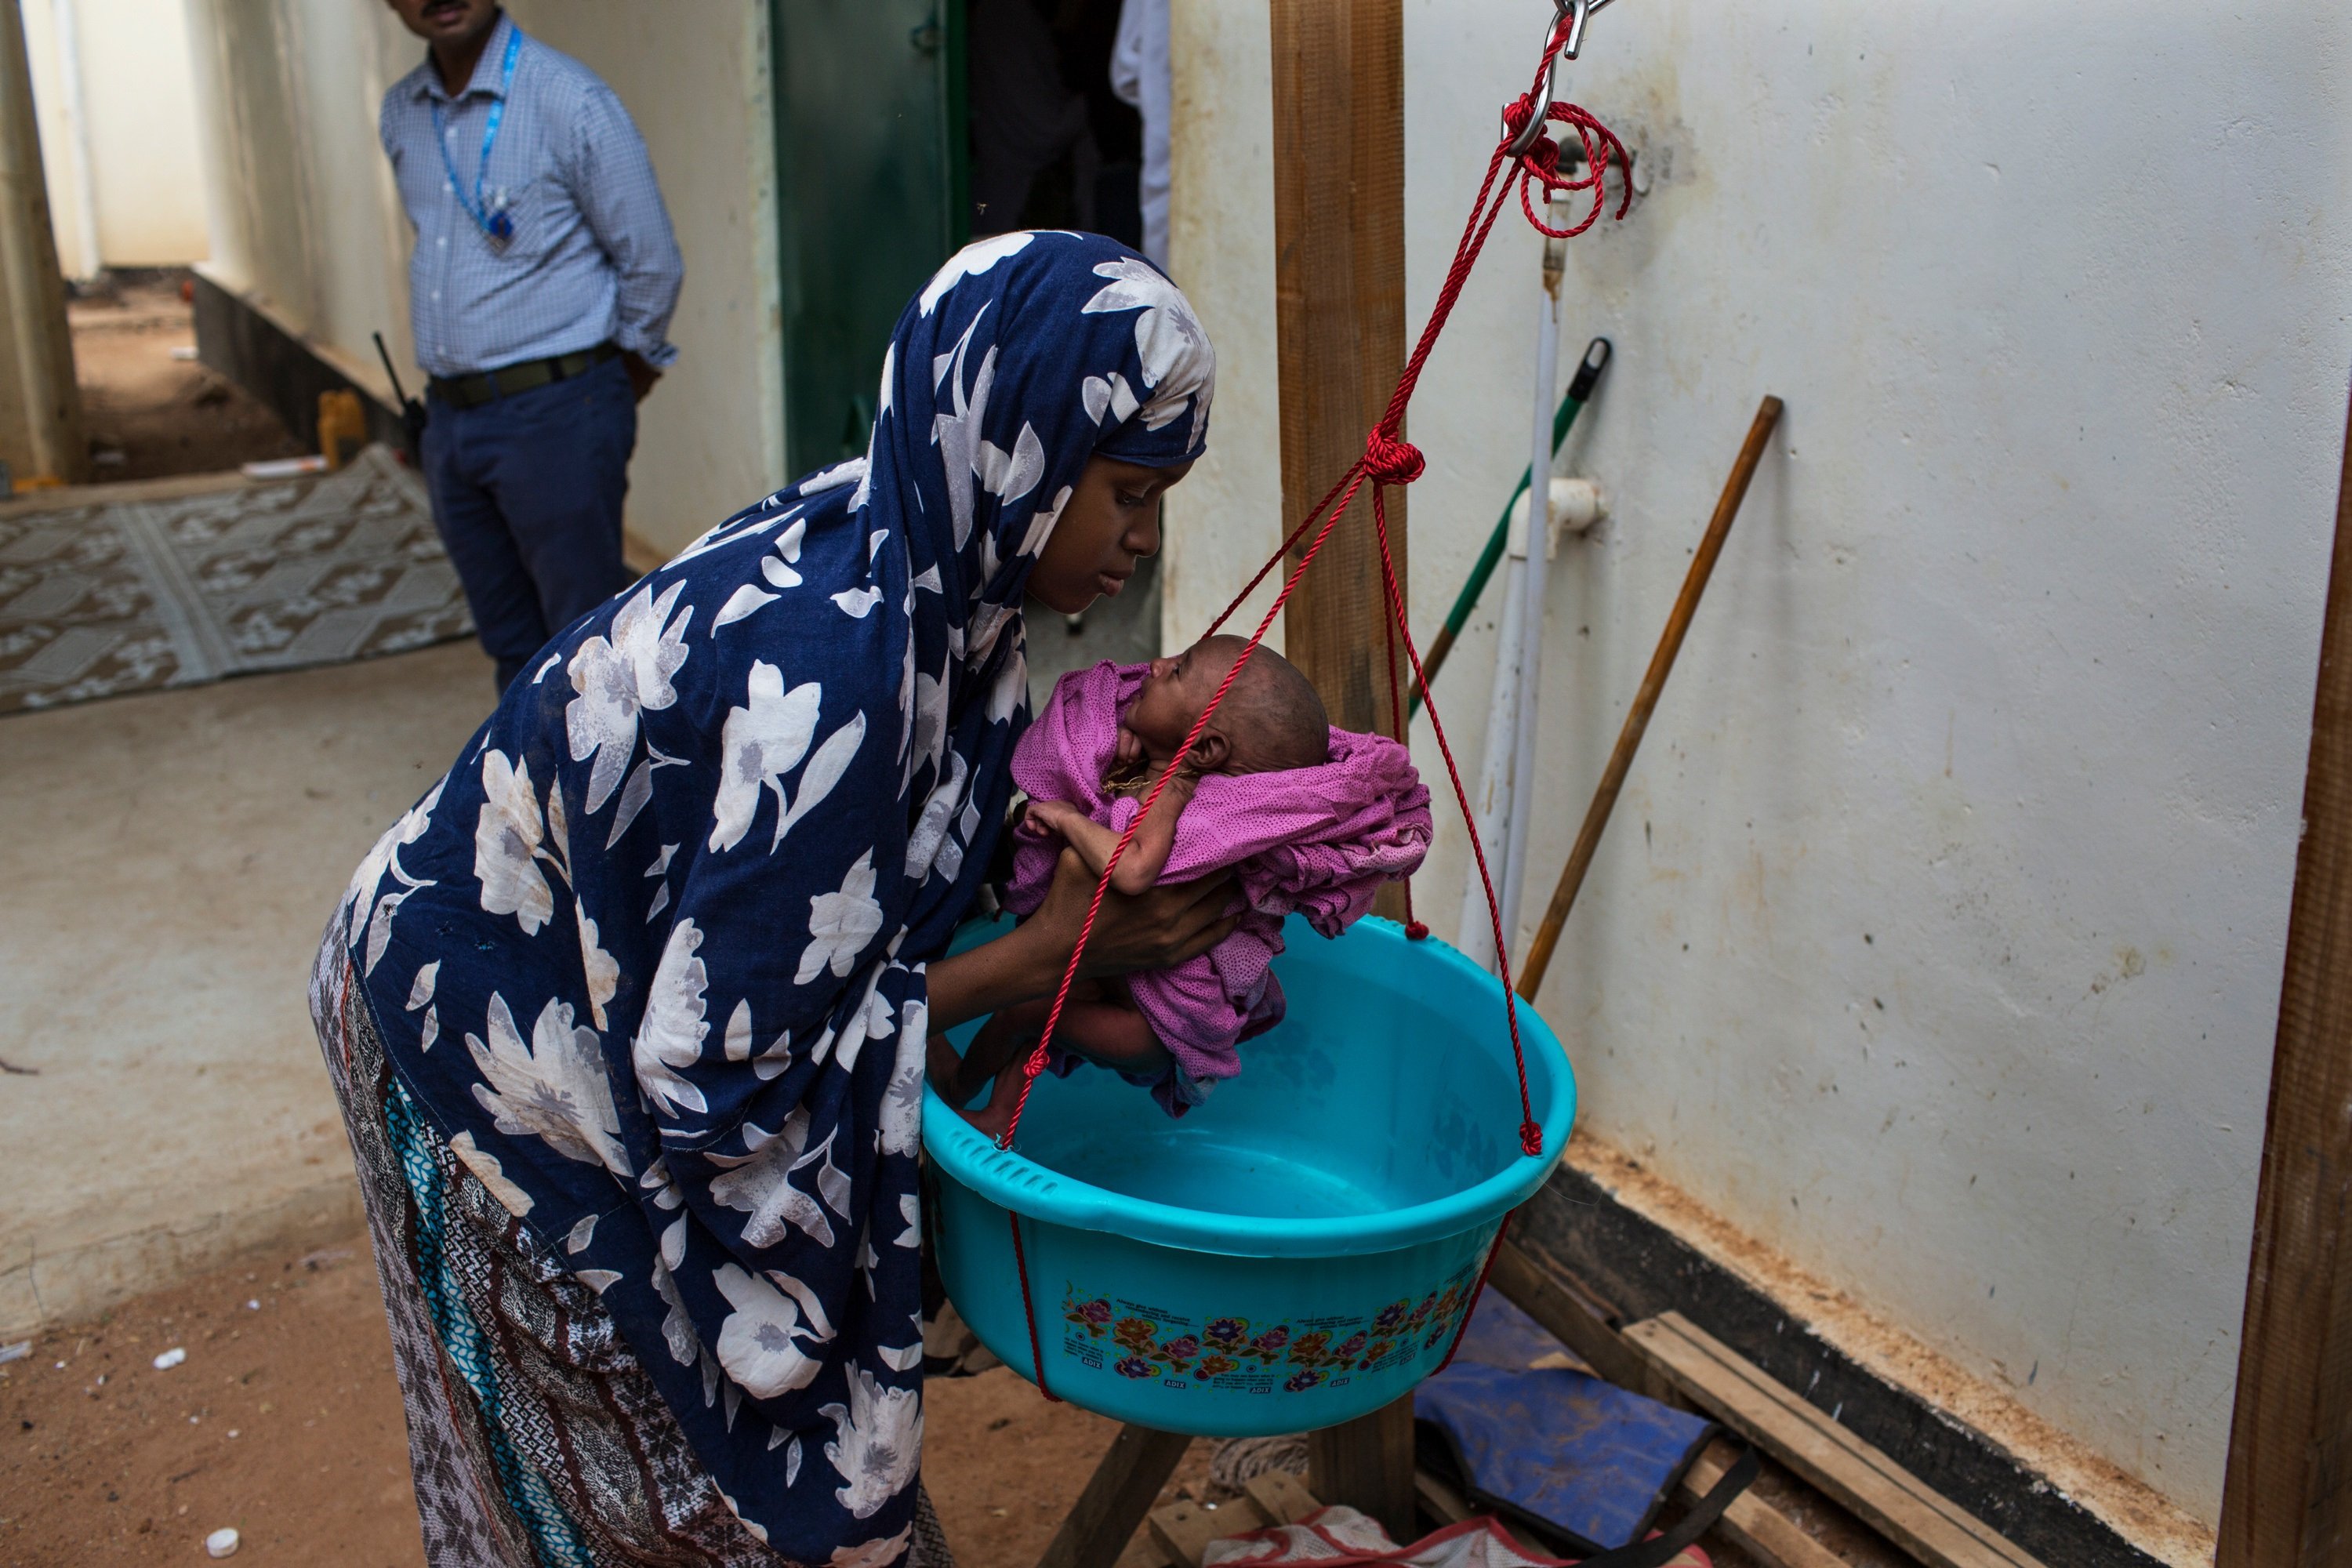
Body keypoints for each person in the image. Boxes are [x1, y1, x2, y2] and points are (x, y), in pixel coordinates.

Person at [315, 230, 1225, 1566]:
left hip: (578, 978)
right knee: (661, 1490)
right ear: (1017, 443)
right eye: (1130, 495)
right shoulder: (847, 668)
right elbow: (719, 1085)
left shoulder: (932, 574)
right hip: (476, 1028)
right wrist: (1044, 960)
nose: (1144, 542)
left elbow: (848, 911)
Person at [936, 636, 1432, 1136]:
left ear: (1205, 747)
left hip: (1149, 1026)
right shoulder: (1160, 775)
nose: (1156, 664)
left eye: (1177, 671)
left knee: (1022, 1011)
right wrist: (1126, 737)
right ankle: (1000, 1113)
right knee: (1040, 1018)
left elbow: (1131, 870)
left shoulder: (1183, 800)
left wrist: (1066, 819)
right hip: (1121, 979)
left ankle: (956, 1084)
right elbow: (1111, 776)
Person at [379, 0, 684, 695]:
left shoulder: (569, 100)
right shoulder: (402, 113)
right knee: (510, 644)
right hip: (452, 422)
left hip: (556, 412)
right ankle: (537, 801)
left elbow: (653, 262)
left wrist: (612, 377)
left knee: (583, 648)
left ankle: (619, 803)